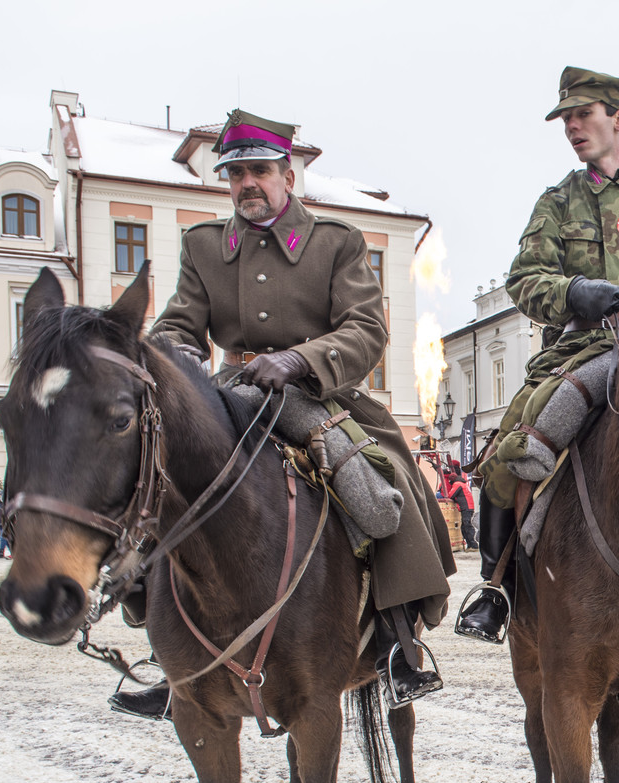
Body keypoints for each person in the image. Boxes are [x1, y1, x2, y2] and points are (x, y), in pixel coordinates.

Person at [110, 110, 456, 721]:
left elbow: (366, 329)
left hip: (317, 394)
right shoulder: (203, 246)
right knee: (155, 485)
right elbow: (179, 323)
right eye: (235, 172)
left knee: (380, 489)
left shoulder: (336, 242)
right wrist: (177, 356)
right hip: (228, 393)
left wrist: (300, 359)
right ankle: (170, 658)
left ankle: (398, 640)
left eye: (259, 171)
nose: (247, 182)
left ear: (287, 177)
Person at [456, 67, 619, 644]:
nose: (571, 127)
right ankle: (497, 585)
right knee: (513, 444)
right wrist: (574, 292)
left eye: (583, 114)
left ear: (618, 117)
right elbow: (524, 279)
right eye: (566, 118)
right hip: (581, 349)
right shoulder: (559, 201)